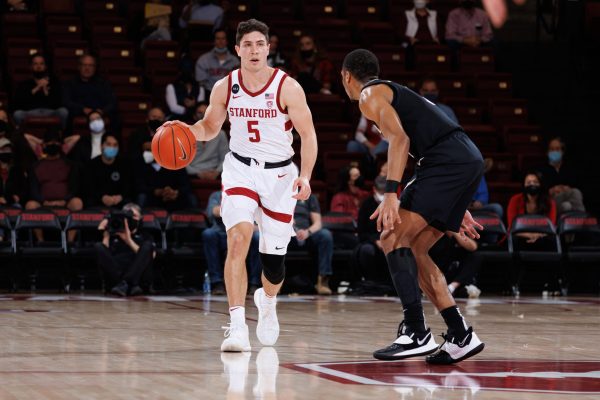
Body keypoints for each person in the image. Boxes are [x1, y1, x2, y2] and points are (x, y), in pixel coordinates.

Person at [160, 19, 318, 352]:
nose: (255, 50)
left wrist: (305, 175)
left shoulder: (287, 87)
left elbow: (308, 135)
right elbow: (209, 127)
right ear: (237, 50)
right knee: (237, 239)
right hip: (240, 170)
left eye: (260, 43)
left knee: (274, 266)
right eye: (247, 45)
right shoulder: (225, 86)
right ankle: (236, 327)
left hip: (279, 177)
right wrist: (187, 131)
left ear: (268, 47)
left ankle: (268, 301)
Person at [340, 49, 485, 364]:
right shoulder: (393, 92)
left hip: (444, 162)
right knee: (415, 250)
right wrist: (454, 201)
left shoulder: (369, 94)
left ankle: (416, 332)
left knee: (391, 237)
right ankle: (460, 334)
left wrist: (391, 192)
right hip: (461, 160)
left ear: (346, 76)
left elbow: (400, 140)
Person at [506, 172, 558, 296]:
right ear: (523, 185)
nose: (532, 185)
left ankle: (552, 285)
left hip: (542, 237)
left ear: (540, 185)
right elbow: (511, 225)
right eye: (529, 182)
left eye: (535, 182)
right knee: (513, 242)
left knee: (552, 242)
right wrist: (530, 235)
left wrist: (537, 236)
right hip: (521, 236)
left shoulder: (549, 202)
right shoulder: (515, 200)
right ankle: (512, 285)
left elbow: (552, 225)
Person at [203, 190, 261, 295]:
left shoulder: (252, 194)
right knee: (208, 234)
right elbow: (213, 211)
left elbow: (261, 217)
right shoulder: (217, 194)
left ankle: (254, 283)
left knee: (259, 237)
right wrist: (233, 209)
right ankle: (217, 283)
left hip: (246, 231)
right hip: (222, 231)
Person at [95, 203, 154, 297]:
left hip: (138, 279)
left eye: (134, 216)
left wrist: (128, 240)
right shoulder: (114, 232)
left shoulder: (145, 235)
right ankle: (124, 284)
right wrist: (106, 233)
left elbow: (152, 255)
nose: (130, 219)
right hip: (116, 277)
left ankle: (126, 283)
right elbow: (105, 259)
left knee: (148, 246)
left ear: (140, 218)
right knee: (99, 246)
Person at [289, 193, 334, 295]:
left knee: (325, 235)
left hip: (306, 234)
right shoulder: (280, 193)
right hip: (286, 233)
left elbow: (318, 223)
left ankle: (323, 281)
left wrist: (307, 232)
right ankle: (274, 281)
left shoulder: (309, 196)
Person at [12, 54, 68, 129]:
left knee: (63, 111)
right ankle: (22, 136)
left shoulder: (54, 83)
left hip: (50, 112)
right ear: (31, 67)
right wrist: (37, 88)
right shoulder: (24, 84)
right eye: (35, 64)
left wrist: (45, 90)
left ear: (45, 66)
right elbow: (19, 104)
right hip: (31, 112)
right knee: (17, 114)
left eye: (41, 64)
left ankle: (61, 135)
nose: (38, 66)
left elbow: (57, 104)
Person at [355, 176, 393, 285]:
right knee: (367, 250)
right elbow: (362, 232)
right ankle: (371, 282)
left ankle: (392, 284)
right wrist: (376, 241)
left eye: (384, 191)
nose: (382, 194)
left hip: (389, 239)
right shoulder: (366, 204)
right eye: (380, 191)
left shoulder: (393, 205)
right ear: (374, 189)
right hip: (371, 241)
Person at [62, 55, 117, 123]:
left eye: (90, 65)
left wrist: (102, 111)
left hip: (100, 114)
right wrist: (83, 109)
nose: (87, 68)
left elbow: (112, 102)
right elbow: (66, 102)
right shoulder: (70, 83)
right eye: (84, 65)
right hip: (78, 113)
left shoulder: (103, 83)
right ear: (79, 67)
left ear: (95, 68)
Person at [536, 137, 585, 214]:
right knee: (575, 193)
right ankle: (582, 220)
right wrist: (551, 190)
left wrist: (566, 188)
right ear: (547, 152)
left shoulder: (570, 169)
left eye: (557, 149)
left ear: (562, 152)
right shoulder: (541, 169)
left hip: (568, 200)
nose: (554, 151)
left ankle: (576, 221)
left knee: (567, 205)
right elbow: (538, 191)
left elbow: (578, 185)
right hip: (550, 200)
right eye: (552, 149)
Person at [429, 231, 482, 298]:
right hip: (438, 272)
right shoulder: (435, 232)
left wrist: (455, 231)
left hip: (455, 275)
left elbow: (473, 247)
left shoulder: (458, 231)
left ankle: (452, 287)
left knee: (476, 256)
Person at [84, 134, 130, 208]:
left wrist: (120, 197)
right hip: (97, 202)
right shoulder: (91, 165)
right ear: (101, 146)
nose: (112, 147)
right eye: (108, 144)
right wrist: (102, 197)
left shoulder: (124, 164)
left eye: (115, 145)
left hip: (118, 202)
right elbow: (88, 187)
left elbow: (128, 186)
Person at [185, 102, 229, 180]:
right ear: (194, 116)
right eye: (200, 113)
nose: (203, 115)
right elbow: (183, 161)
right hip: (192, 174)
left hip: (216, 173)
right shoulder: (186, 134)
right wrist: (197, 173)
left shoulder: (221, 134)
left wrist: (217, 172)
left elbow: (225, 159)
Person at [195, 29, 240, 95]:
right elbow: (201, 83)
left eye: (223, 38)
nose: (220, 41)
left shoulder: (235, 61)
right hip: (208, 94)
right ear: (214, 41)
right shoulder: (203, 60)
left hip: (229, 95)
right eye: (218, 38)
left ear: (227, 41)